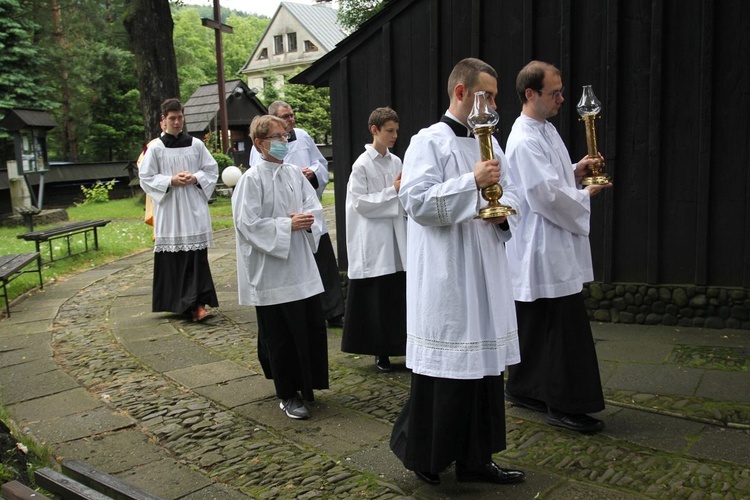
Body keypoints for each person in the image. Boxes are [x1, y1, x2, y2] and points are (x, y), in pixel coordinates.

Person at [389, 58, 525, 486]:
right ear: (462, 92)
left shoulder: (491, 143)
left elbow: (514, 196)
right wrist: (472, 181)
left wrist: (501, 216)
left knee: (484, 374)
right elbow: (416, 202)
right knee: (447, 374)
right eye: (488, 95)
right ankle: (426, 457)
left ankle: (475, 460)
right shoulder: (427, 142)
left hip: (485, 272)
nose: (494, 105)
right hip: (448, 275)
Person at [504, 60, 613, 433]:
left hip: (547, 242)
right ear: (530, 93)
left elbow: (548, 178)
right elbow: (543, 194)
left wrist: (575, 169)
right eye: (554, 93)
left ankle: (523, 386)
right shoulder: (523, 138)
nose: (562, 98)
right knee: (563, 330)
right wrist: (585, 195)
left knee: (536, 324)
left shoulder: (543, 129)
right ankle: (566, 404)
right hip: (542, 245)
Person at [232, 115, 329, 420]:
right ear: (259, 143)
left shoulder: (293, 173)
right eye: (276, 137)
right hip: (271, 269)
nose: (283, 142)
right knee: (281, 333)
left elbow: (313, 206)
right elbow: (247, 224)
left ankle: (307, 385)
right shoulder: (251, 180)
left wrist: (308, 219)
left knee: (309, 324)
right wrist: (286, 225)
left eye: (285, 136)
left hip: (299, 262)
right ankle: (287, 394)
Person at [250, 102, 345, 328]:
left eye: (292, 116)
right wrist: (285, 224)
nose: (290, 120)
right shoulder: (255, 171)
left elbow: (320, 163)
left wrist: (312, 173)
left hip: (306, 217)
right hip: (285, 223)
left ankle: (332, 309)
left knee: (321, 264)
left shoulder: (302, 136)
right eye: (285, 117)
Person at [139, 98, 219, 322]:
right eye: (172, 118)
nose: (176, 122)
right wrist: (171, 180)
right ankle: (177, 302)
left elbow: (211, 170)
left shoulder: (196, 145)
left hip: (193, 208)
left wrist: (195, 177)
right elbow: (145, 178)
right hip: (170, 209)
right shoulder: (155, 148)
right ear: (163, 121)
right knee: (174, 260)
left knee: (196, 258)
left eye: (180, 117)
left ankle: (197, 304)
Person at [341, 107, 407, 372]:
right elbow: (360, 203)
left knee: (397, 295)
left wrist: (399, 194)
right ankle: (381, 352)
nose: (394, 136)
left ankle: (402, 347)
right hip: (373, 239)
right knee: (378, 297)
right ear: (375, 130)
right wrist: (392, 191)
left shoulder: (397, 162)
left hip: (396, 236)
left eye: (396, 131)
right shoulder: (361, 165)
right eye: (389, 131)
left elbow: (404, 196)